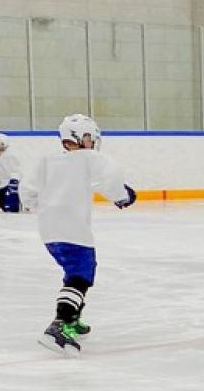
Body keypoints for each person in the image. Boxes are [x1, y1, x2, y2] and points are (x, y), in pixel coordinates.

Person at [21, 114, 138, 354]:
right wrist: (122, 196)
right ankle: (59, 327)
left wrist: (35, 204)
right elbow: (112, 176)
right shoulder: (90, 157)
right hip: (73, 228)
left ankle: (72, 320)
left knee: (73, 271)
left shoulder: (46, 160)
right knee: (81, 274)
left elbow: (28, 190)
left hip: (49, 229)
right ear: (84, 137)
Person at [0, 133, 22, 213]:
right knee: (3, 206)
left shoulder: (11, 155)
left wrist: (14, 183)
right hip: (3, 186)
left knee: (12, 207)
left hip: (14, 186)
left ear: (3, 143)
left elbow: (17, 170)